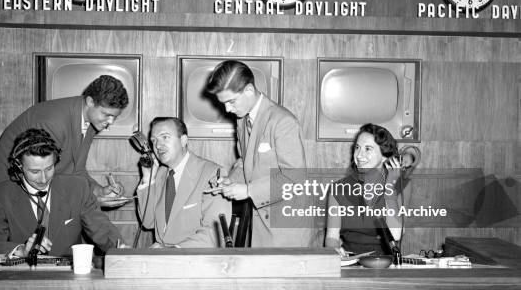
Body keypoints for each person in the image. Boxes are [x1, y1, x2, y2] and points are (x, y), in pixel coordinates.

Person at [205, 60, 310, 247]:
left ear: (249, 90)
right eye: (224, 103)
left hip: (287, 228)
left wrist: (248, 190)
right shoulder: (243, 119)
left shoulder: (282, 121)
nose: (227, 109)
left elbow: (295, 180)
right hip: (263, 222)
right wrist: (231, 180)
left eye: (231, 101)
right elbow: (247, 160)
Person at [0, 128, 125, 256]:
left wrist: (124, 252)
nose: (43, 179)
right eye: (35, 171)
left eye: (49, 169)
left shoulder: (77, 187)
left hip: (69, 276)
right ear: (18, 167)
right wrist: (21, 250)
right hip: (22, 277)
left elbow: (101, 229)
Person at [0, 75, 128, 198]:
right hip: (11, 190)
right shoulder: (53, 123)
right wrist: (90, 200)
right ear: (90, 102)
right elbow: (42, 177)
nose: (110, 122)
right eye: (107, 115)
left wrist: (99, 191)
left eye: (114, 117)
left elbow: (77, 170)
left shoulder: (91, 121)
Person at [136, 117, 231, 248]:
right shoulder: (160, 174)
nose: (158, 145)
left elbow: (215, 232)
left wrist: (173, 251)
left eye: (165, 137)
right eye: (154, 140)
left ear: (183, 140)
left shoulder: (212, 174)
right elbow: (148, 222)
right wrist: (148, 178)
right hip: (162, 255)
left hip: (193, 257)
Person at [325, 123, 404, 255]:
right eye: (357, 147)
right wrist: (335, 250)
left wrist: (390, 188)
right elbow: (331, 237)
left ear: (385, 156)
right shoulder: (338, 189)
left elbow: (396, 235)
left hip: (385, 264)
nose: (359, 155)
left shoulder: (395, 187)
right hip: (350, 262)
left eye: (368, 149)